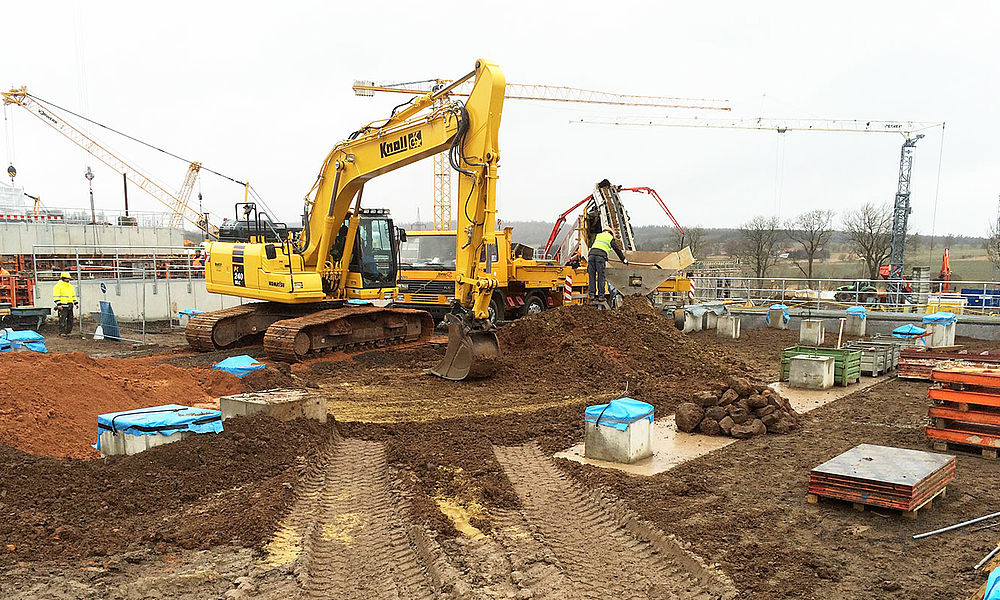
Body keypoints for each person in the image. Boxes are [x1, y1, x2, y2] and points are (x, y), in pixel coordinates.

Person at [587, 227, 627, 302]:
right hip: (600, 258)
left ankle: (591, 295)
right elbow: (617, 250)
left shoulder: (598, 235)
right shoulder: (610, 237)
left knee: (591, 276)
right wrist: (624, 260)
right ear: (611, 233)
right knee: (601, 276)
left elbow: (595, 246)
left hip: (591, 256)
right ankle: (601, 296)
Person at [53, 271, 78, 336]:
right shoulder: (58, 286)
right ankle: (62, 332)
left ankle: (68, 332)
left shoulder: (70, 286)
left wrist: (76, 303)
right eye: (67, 278)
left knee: (70, 319)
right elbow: (56, 296)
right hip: (63, 306)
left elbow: (73, 295)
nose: (69, 279)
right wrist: (58, 304)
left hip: (70, 305)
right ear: (63, 278)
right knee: (62, 320)